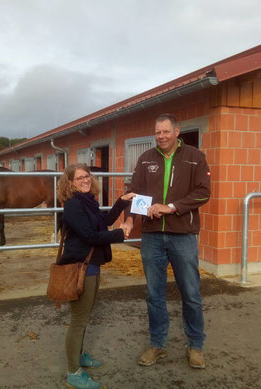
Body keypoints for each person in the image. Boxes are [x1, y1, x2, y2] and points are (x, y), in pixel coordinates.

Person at [121, 113, 211, 369]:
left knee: (191, 294)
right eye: (157, 132)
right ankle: (157, 344)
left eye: (165, 131)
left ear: (177, 131)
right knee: (154, 295)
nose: (161, 136)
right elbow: (134, 193)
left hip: (183, 235)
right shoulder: (146, 158)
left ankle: (195, 345)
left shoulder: (195, 157)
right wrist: (129, 220)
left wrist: (170, 207)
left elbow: (203, 193)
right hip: (151, 237)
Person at [57, 163, 135, 389]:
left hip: (92, 265)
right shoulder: (73, 205)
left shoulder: (88, 202)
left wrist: (122, 201)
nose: (85, 180)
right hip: (81, 266)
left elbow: (105, 221)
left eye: (87, 176)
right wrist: (121, 234)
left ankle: (79, 356)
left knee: (85, 315)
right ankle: (73, 372)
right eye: (80, 178)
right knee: (78, 320)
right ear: (70, 182)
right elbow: (90, 235)